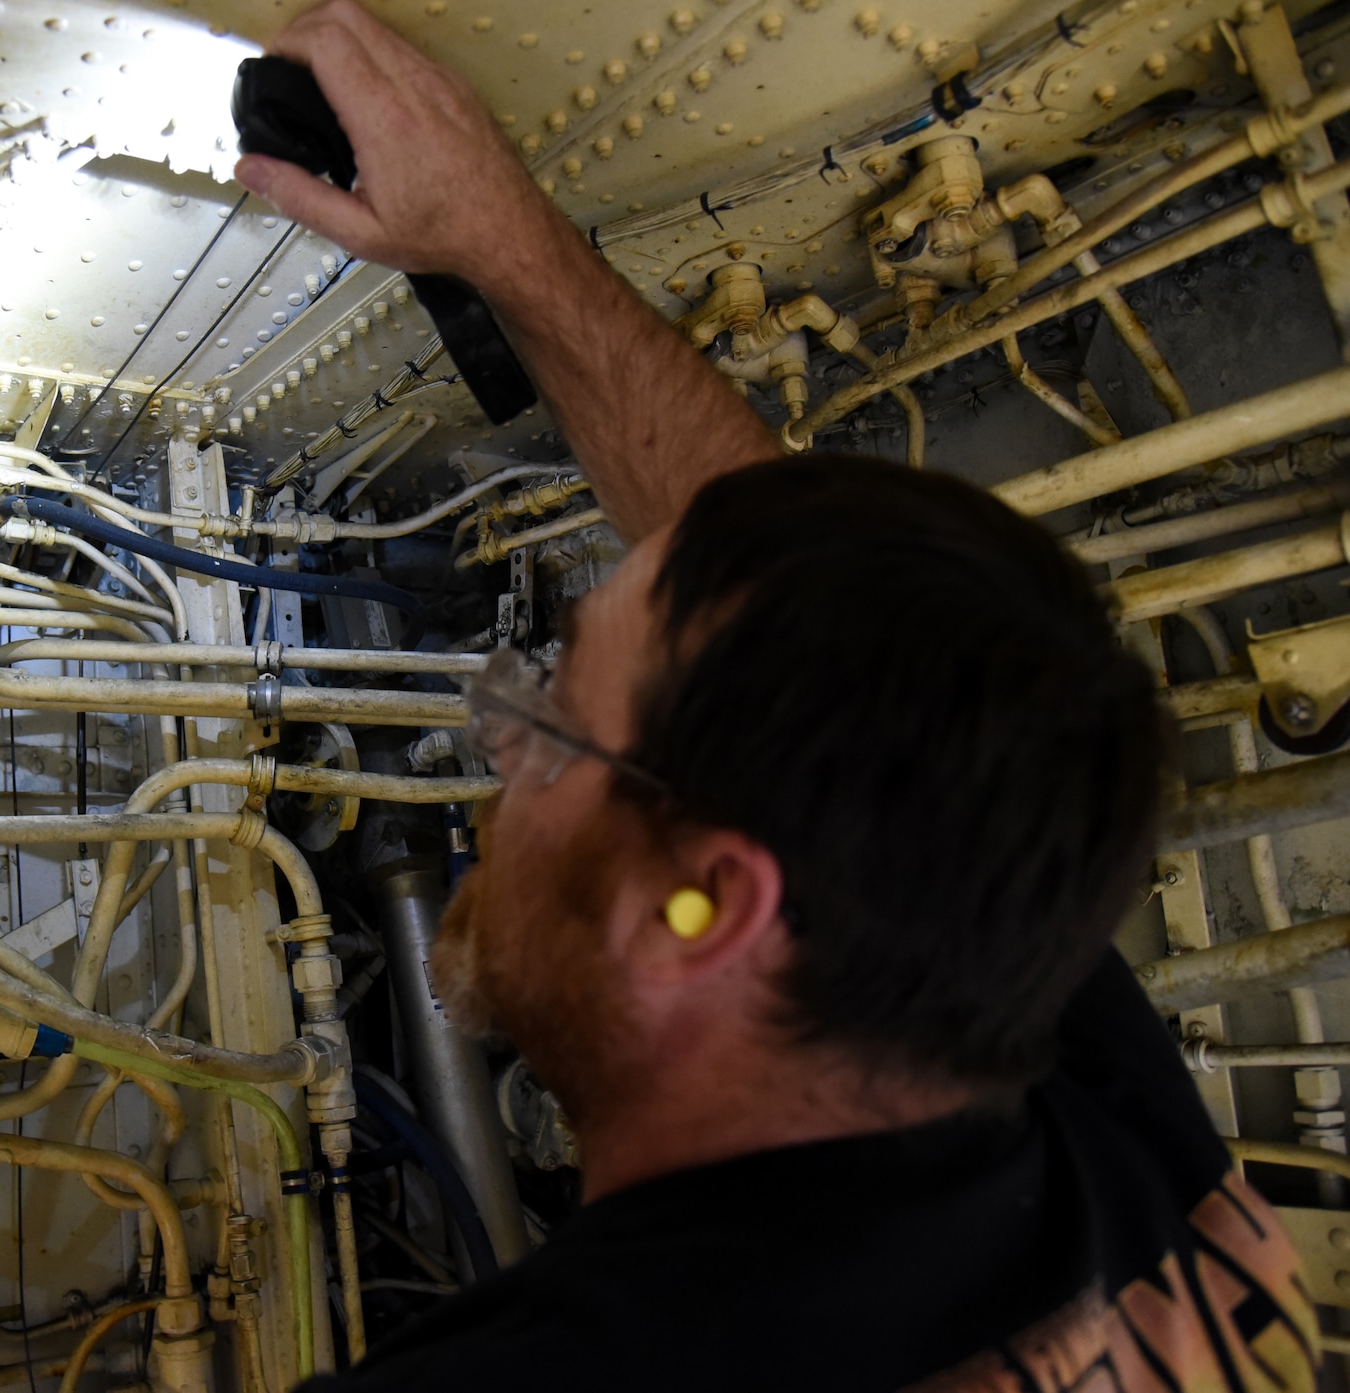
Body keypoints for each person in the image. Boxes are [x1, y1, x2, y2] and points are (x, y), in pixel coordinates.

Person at [233, 3, 1322, 1389]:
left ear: (707, 906)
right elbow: (804, 593)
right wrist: (501, 241)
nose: (499, 763)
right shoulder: (1045, 1084)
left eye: (548, 729)